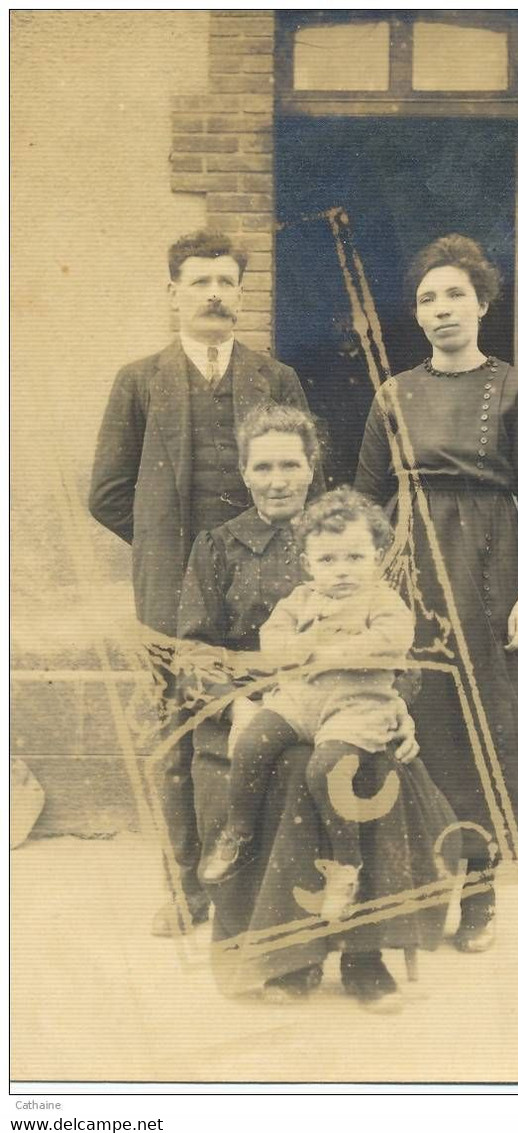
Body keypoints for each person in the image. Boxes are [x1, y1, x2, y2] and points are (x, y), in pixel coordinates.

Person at [177, 404, 460, 1010]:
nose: (278, 479)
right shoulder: (216, 548)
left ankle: (364, 957)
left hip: (351, 713)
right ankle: (286, 956)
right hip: (256, 715)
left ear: (312, 470)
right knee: (278, 766)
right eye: (263, 466)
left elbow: (399, 646)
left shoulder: (353, 539)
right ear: (245, 473)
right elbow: (192, 658)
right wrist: (241, 709)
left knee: (362, 769)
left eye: (291, 464)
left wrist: (399, 709)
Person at [88, 229, 321, 938]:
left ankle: (261, 886)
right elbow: (105, 492)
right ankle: (184, 887)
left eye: (226, 281)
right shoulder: (138, 380)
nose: (215, 294)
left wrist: (247, 562)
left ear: (241, 293)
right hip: (168, 597)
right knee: (178, 737)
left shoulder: (275, 378)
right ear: (174, 293)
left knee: (271, 727)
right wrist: (177, 559)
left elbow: (301, 477)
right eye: (199, 282)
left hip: (265, 592)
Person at [355, 233, 518, 952]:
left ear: (482, 303)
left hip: (489, 578)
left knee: (487, 738)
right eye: (427, 298)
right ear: (415, 315)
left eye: (455, 294)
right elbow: (364, 500)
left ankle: (478, 897)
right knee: (420, 735)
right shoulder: (393, 395)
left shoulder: (515, 391)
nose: (441, 308)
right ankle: (414, 901)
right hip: (411, 578)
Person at [201, 486, 416, 926]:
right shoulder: (299, 601)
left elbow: (390, 642)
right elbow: (274, 644)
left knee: (326, 770)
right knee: (253, 741)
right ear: (308, 564)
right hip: (302, 699)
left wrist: (323, 652)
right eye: (328, 560)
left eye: (355, 558)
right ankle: (238, 830)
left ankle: (346, 865)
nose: (342, 571)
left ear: (378, 555)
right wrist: (305, 645)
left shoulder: (383, 601)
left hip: (358, 705)